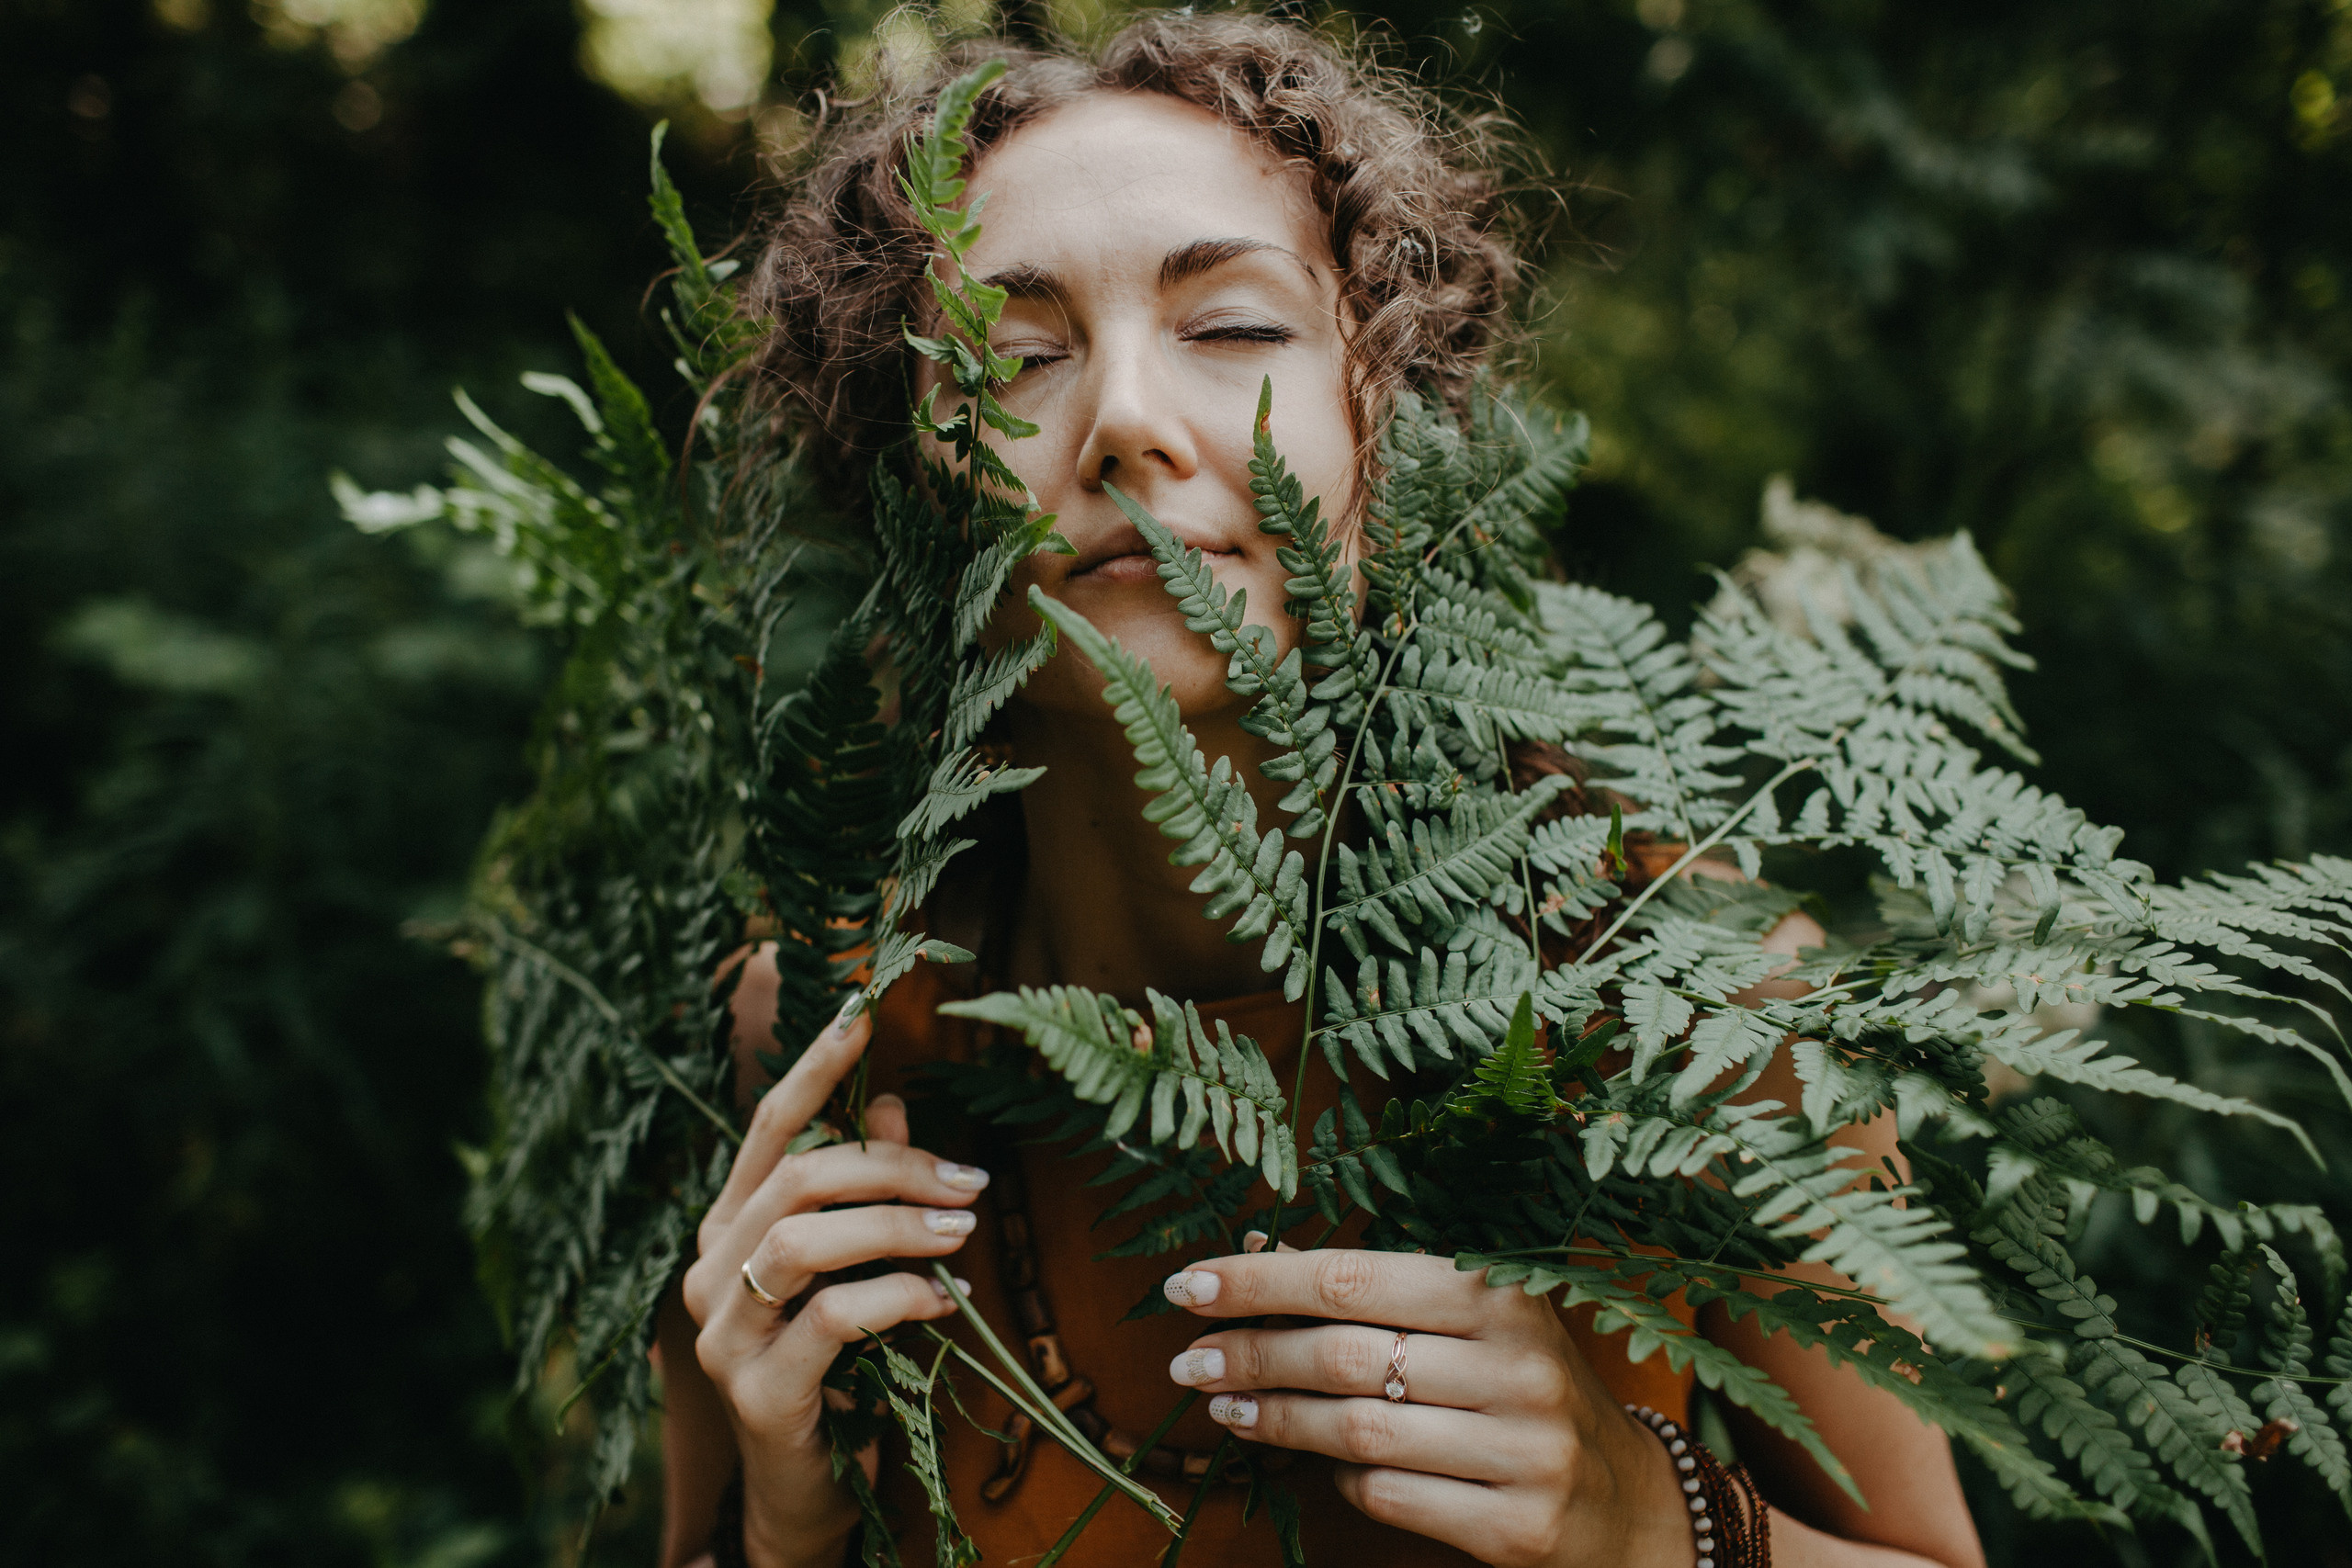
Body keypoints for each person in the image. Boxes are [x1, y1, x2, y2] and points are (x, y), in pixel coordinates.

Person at [657, 13, 1987, 1567]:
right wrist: (784, 1518)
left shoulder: (1691, 1006)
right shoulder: (813, 1035)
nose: (1129, 422)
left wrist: (1646, 1524)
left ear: (1390, 413)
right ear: (906, 484)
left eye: (1231, 330)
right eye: (1014, 359)